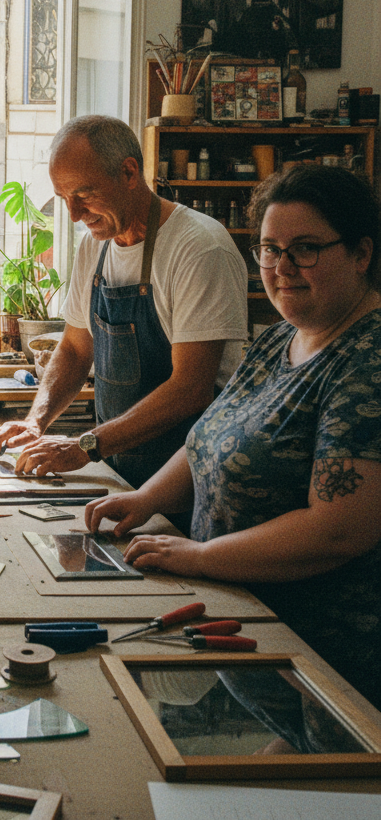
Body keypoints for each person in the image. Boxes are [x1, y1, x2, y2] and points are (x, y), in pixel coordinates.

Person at [86, 165, 381, 708]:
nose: (282, 268)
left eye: (306, 249)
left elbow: (339, 530)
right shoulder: (279, 340)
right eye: (269, 249)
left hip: (327, 669)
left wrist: (201, 556)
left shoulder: (368, 361)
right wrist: (146, 498)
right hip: (250, 630)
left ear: (362, 254)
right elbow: (207, 438)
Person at [0, 115, 247, 486]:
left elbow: (191, 389)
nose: (74, 214)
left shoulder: (199, 248)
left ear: (128, 173)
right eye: (64, 199)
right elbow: (76, 350)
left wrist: (85, 446)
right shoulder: (95, 246)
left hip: (187, 477)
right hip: (118, 467)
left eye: (84, 195)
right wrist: (35, 421)